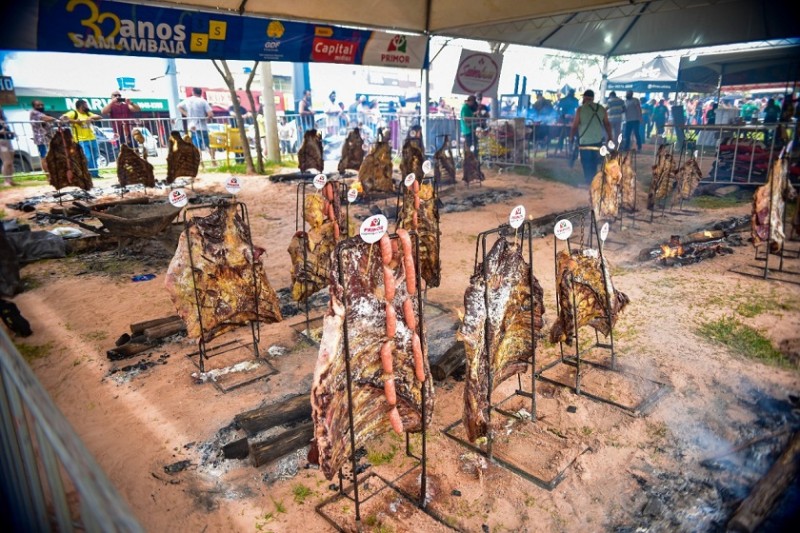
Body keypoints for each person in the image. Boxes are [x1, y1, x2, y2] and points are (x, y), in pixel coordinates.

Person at [570, 89, 613, 185]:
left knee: (586, 162)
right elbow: (607, 124)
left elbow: (574, 126)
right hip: (598, 141)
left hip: (585, 141)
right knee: (594, 162)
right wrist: (610, 137)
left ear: (585, 98)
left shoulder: (580, 109)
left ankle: (589, 182)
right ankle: (593, 182)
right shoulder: (601, 108)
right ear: (593, 98)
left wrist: (571, 137)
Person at [60, 99, 102, 177]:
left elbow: (99, 116)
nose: (87, 107)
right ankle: (86, 173)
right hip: (81, 140)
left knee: (95, 156)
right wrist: (75, 121)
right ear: (81, 106)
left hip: (92, 138)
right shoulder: (73, 113)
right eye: (86, 105)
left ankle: (94, 174)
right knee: (87, 157)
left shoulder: (88, 113)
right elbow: (62, 118)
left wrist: (91, 117)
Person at [178, 87, 215, 166]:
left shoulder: (187, 100)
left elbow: (179, 106)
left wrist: (187, 114)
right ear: (200, 93)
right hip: (202, 127)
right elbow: (210, 114)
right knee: (208, 145)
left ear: (193, 92)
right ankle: (213, 161)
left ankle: (201, 163)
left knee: (197, 146)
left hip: (192, 127)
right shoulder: (203, 101)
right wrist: (206, 118)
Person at [29, 100, 56, 178]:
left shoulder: (41, 113)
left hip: (47, 139)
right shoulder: (34, 113)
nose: (41, 106)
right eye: (38, 105)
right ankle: (48, 176)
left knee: (49, 157)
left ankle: (52, 175)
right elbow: (46, 118)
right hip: (41, 139)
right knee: (44, 157)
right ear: (34, 106)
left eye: (42, 105)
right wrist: (57, 120)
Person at [0, 106, 14, 186]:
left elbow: (7, 131)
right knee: (6, 161)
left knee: (10, 162)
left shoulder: (4, 121)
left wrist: (11, 133)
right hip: (1, 141)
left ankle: (10, 180)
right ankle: (6, 181)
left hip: (8, 140)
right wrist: (2, 131)